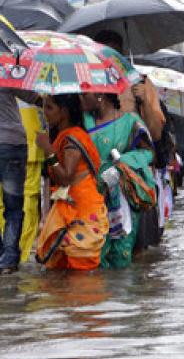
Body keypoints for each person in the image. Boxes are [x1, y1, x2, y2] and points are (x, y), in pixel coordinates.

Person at [81, 92, 157, 269]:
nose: (81, 98)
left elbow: (149, 154)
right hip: (89, 197)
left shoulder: (131, 122)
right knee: (90, 254)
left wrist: (121, 163)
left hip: (121, 198)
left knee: (121, 254)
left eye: (85, 94)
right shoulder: (81, 121)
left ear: (101, 96)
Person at [35, 94, 109, 270]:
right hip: (71, 210)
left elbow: (66, 177)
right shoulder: (64, 136)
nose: (45, 112)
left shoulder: (72, 138)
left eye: (50, 108)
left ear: (64, 112)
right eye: (44, 107)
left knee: (80, 279)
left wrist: (48, 150)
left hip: (82, 212)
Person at [0, 87, 41, 274]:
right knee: (14, 208)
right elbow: (35, 98)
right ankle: (8, 259)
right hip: (13, 143)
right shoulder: (5, 72)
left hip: (13, 143)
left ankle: (5, 253)